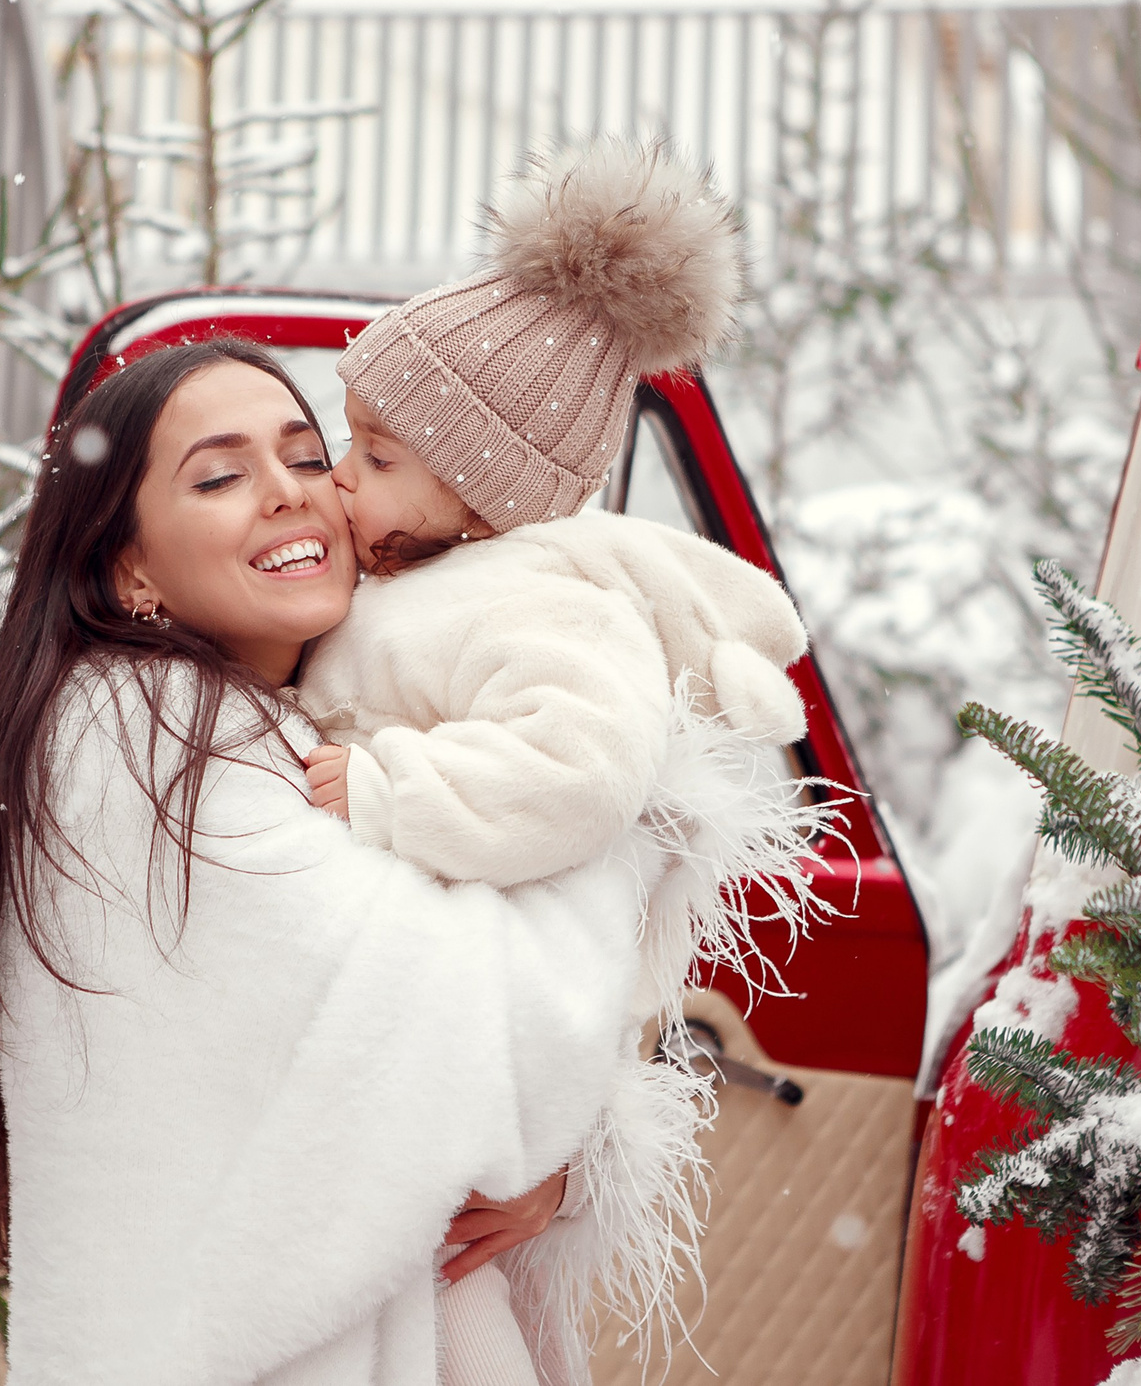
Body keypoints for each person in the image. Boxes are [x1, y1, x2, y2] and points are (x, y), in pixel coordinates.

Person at [0, 337, 657, 1385]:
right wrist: (605, 808)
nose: (287, 495)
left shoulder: (271, 728)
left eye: (310, 457)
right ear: (129, 565)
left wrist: (542, 1146)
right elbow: (442, 1015)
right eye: (220, 476)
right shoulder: (136, 734)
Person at [291, 139, 825, 1384]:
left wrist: (386, 791)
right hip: (404, 1059)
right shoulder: (428, 583)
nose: (339, 479)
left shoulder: (538, 606)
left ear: (482, 488)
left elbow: (578, 775)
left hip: (471, 1064)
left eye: (376, 458)